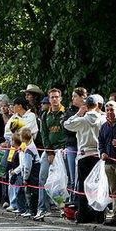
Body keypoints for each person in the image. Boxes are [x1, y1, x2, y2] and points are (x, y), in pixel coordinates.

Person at [63, 94, 106, 223]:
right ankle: (99, 215)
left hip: (84, 155)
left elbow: (66, 124)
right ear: (98, 105)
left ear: (86, 106)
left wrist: (78, 114)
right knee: (98, 185)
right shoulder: (102, 119)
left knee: (82, 186)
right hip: (98, 156)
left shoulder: (82, 120)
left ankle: (83, 215)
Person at [36, 88, 66, 220]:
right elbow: (44, 134)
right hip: (50, 150)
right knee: (43, 177)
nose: (54, 99)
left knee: (63, 180)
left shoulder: (65, 113)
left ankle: (64, 207)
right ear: (49, 99)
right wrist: (49, 152)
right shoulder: (44, 115)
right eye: (52, 97)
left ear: (60, 98)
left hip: (63, 150)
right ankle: (43, 208)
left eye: (56, 97)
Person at [63, 87, 87, 195]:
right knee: (72, 176)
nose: (73, 99)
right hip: (72, 145)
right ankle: (73, 200)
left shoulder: (90, 110)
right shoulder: (70, 111)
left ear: (83, 97)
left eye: (75, 96)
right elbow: (66, 128)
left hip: (85, 146)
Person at [18, 128, 41, 218]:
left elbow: (27, 166)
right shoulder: (32, 146)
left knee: (31, 192)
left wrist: (25, 178)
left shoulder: (28, 150)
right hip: (35, 171)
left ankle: (31, 210)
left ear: (23, 138)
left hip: (32, 173)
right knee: (32, 192)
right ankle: (31, 210)